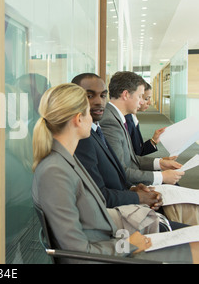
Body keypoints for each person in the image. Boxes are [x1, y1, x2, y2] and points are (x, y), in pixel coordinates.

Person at [32, 83, 198, 263]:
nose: (94, 119)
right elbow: (77, 251)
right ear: (78, 119)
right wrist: (128, 244)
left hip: (112, 240)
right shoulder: (55, 172)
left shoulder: (65, 160)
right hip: (111, 252)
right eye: (88, 112)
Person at [71, 73, 189, 230]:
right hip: (113, 217)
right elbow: (100, 193)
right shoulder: (90, 134)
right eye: (89, 96)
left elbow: (127, 161)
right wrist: (139, 194)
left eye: (103, 95)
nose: (99, 102)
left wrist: (139, 184)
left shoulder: (99, 127)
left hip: (123, 199)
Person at [99, 72, 184, 186]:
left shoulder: (117, 117)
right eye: (139, 96)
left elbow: (132, 159)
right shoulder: (110, 122)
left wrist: (160, 163)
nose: (141, 101)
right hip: (126, 186)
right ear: (126, 95)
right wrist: (162, 177)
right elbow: (120, 170)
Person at [125, 82, 165, 156]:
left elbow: (138, 151)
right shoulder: (126, 121)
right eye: (146, 98)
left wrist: (154, 140)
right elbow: (134, 157)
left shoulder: (132, 117)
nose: (149, 103)